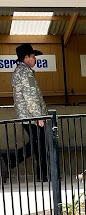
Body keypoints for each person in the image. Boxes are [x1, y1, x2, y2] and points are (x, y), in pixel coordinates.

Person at [10, 43, 49, 181]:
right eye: (33, 56)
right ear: (26, 57)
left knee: (37, 144)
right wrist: (39, 117)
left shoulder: (20, 71)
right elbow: (30, 96)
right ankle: (9, 161)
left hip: (28, 116)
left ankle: (42, 174)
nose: (35, 59)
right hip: (32, 117)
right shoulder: (25, 72)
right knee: (39, 145)